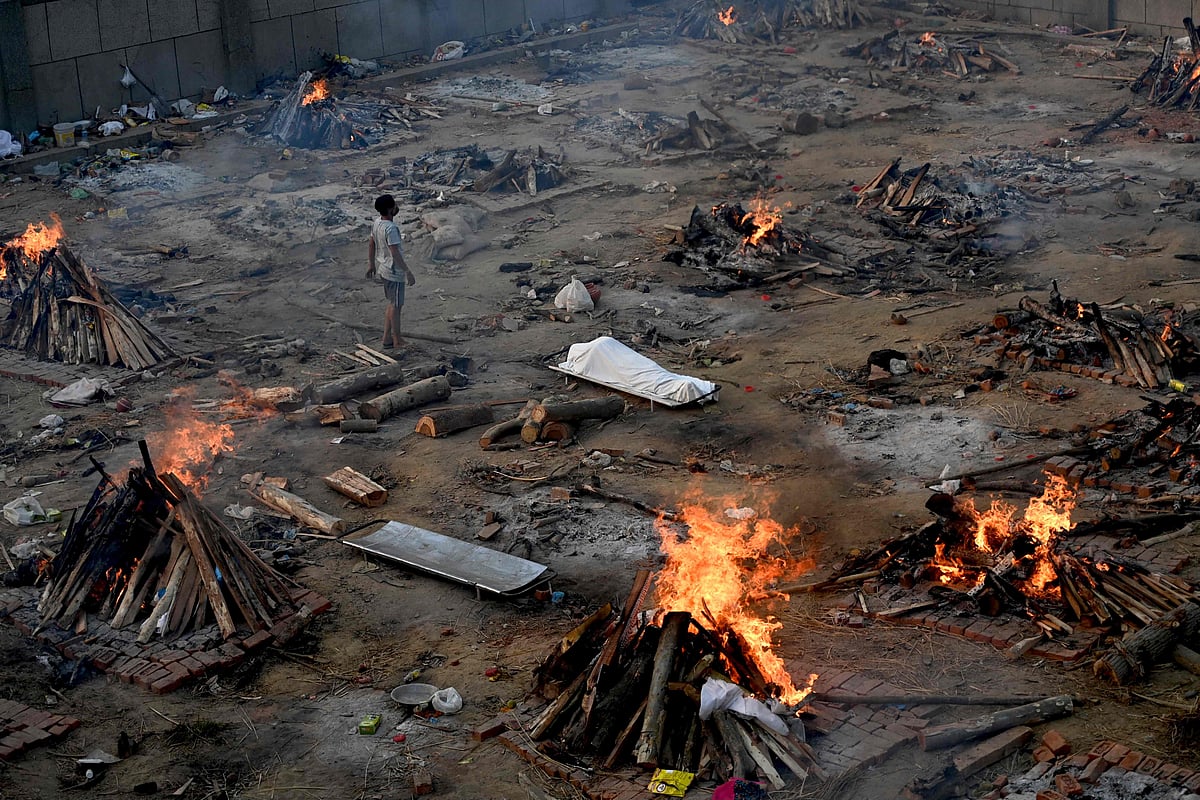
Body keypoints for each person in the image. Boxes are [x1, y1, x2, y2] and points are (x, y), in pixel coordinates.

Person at [366, 194, 417, 349]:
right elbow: (394, 253)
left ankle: (386, 338)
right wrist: (407, 271)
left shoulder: (377, 223)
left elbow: (371, 244)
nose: (396, 207)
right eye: (394, 205)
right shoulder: (391, 228)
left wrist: (371, 264)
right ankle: (398, 340)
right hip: (394, 272)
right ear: (390, 209)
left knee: (392, 304)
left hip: (383, 269)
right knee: (396, 307)